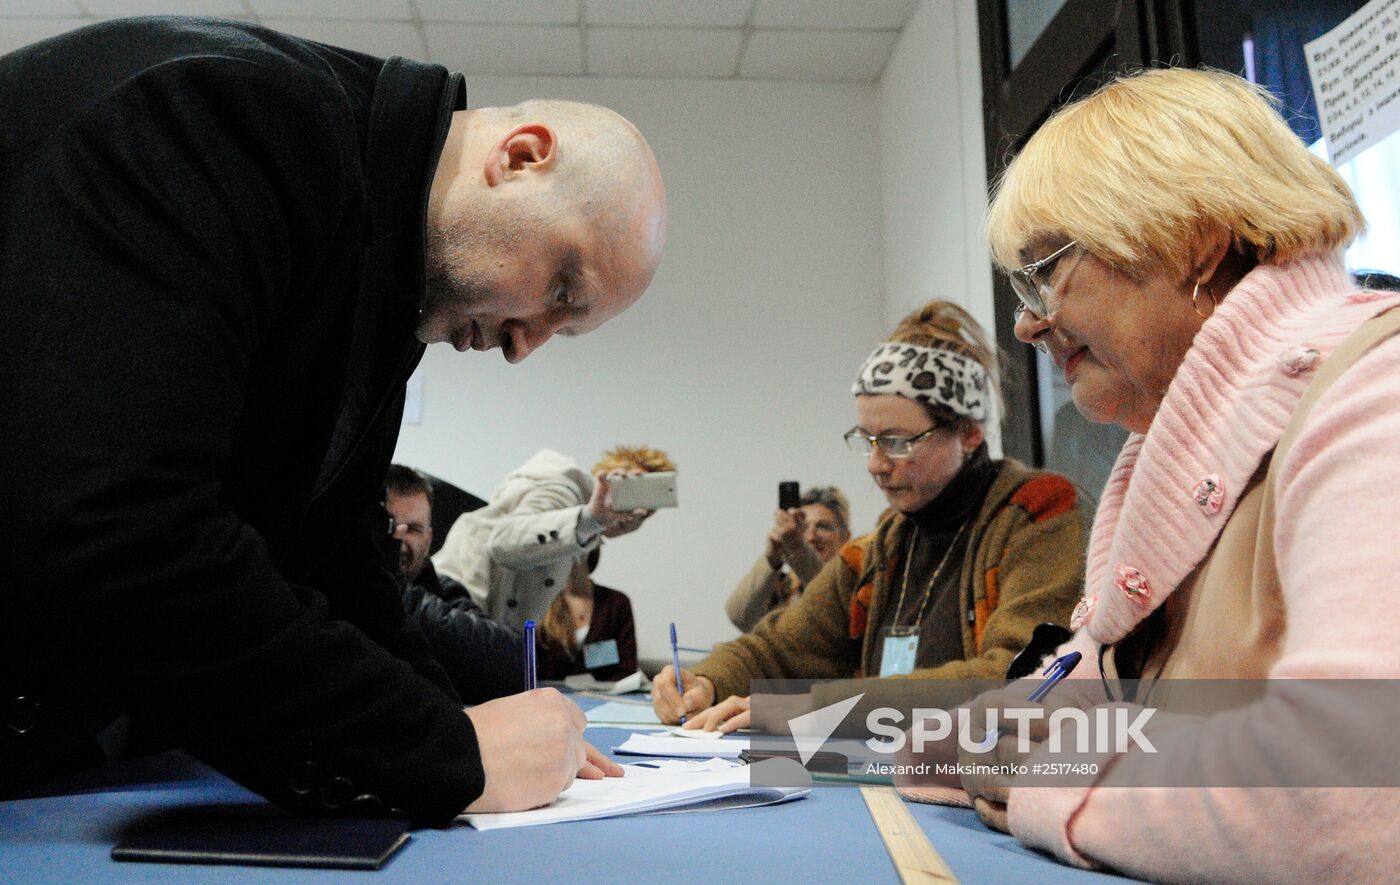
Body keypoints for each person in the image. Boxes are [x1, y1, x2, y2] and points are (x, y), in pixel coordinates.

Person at [0, 17, 668, 822]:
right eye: (561, 290)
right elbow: (115, 529)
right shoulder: (230, 121)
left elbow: (330, 554)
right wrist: (441, 750)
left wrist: (457, 723)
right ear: (520, 157)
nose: (526, 346)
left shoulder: (379, 276)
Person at [927, 67, 1400, 882]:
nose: (1029, 321)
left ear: (1193, 241)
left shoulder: (1373, 392)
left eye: (1049, 269)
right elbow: (1058, 698)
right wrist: (963, 745)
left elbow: (1358, 791)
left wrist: (1052, 778)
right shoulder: (1178, 447)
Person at [653, 301, 1085, 731]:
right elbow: (777, 648)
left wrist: (826, 708)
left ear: (970, 433)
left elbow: (1021, 676)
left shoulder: (1037, 515)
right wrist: (705, 681)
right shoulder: (881, 548)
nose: (876, 464)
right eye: (868, 440)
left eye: (897, 442)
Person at [433, 446, 676, 630]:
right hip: (454, 606)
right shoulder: (562, 491)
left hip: (471, 617)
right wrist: (591, 517)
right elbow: (504, 542)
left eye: (643, 516)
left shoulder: (581, 534)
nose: (629, 519)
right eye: (628, 500)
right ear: (608, 478)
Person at [385, 466, 523, 703]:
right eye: (389, 524)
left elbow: (511, 660)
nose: (399, 538)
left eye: (413, 529)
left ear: (428, 540)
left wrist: (389, 586)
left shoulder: (442, 589)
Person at [724, 486, 852, 632]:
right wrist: (772, 559)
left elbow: (825, 588)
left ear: (845, 537)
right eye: (803, 527)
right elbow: (739, 618)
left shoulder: (851, 584)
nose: (811, 537)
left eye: (823, 527)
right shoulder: (783, 586)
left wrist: (796, 547)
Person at [537, 548, 638, 681]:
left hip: (606, 697)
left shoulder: (616, 603)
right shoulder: (541, 604)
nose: (569, 560)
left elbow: (627, 667)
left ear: (589, 551)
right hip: (552, 697)